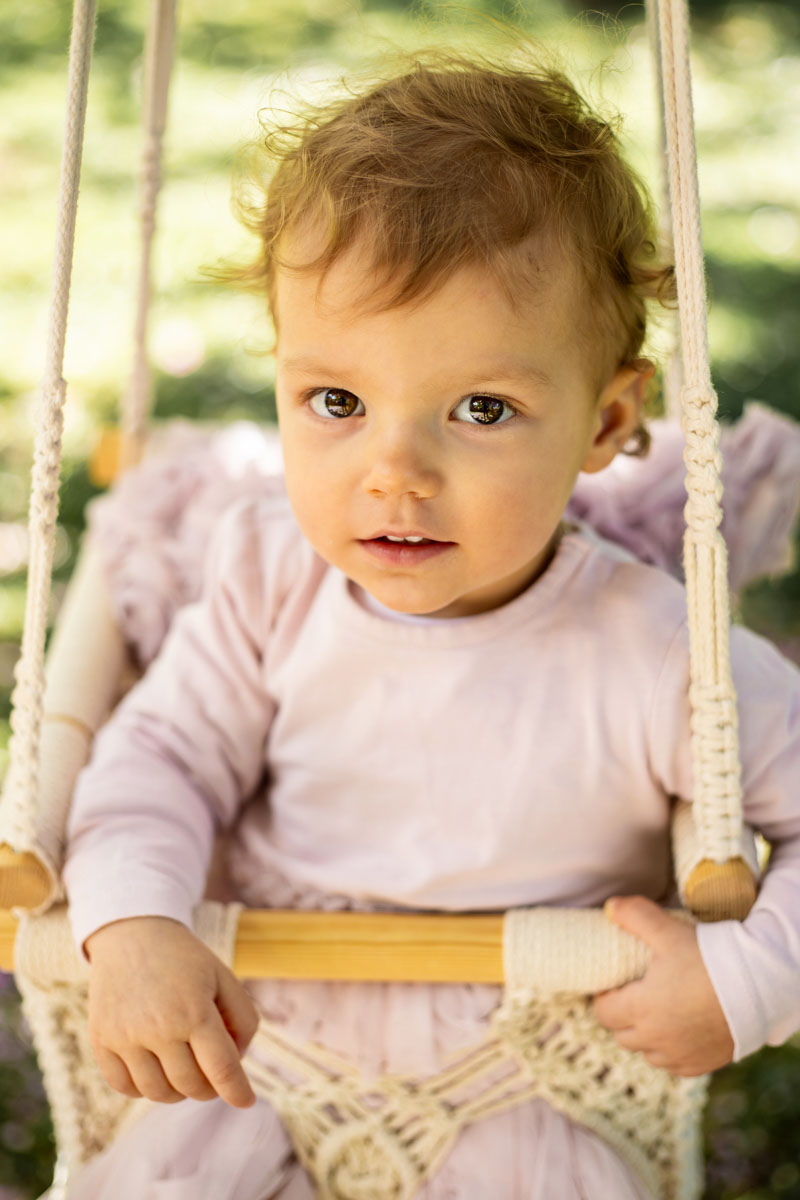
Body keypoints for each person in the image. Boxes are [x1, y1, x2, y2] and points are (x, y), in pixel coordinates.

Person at [62, 51, 800, 1199]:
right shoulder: (266, 576)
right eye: (337, 403)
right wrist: (134, 919)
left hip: (531, 1069)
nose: (392, 473)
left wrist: (748, 977)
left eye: (480, 409)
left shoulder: (657, 647)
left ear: (604, 421)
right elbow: (157, 758)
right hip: (262, 1040)